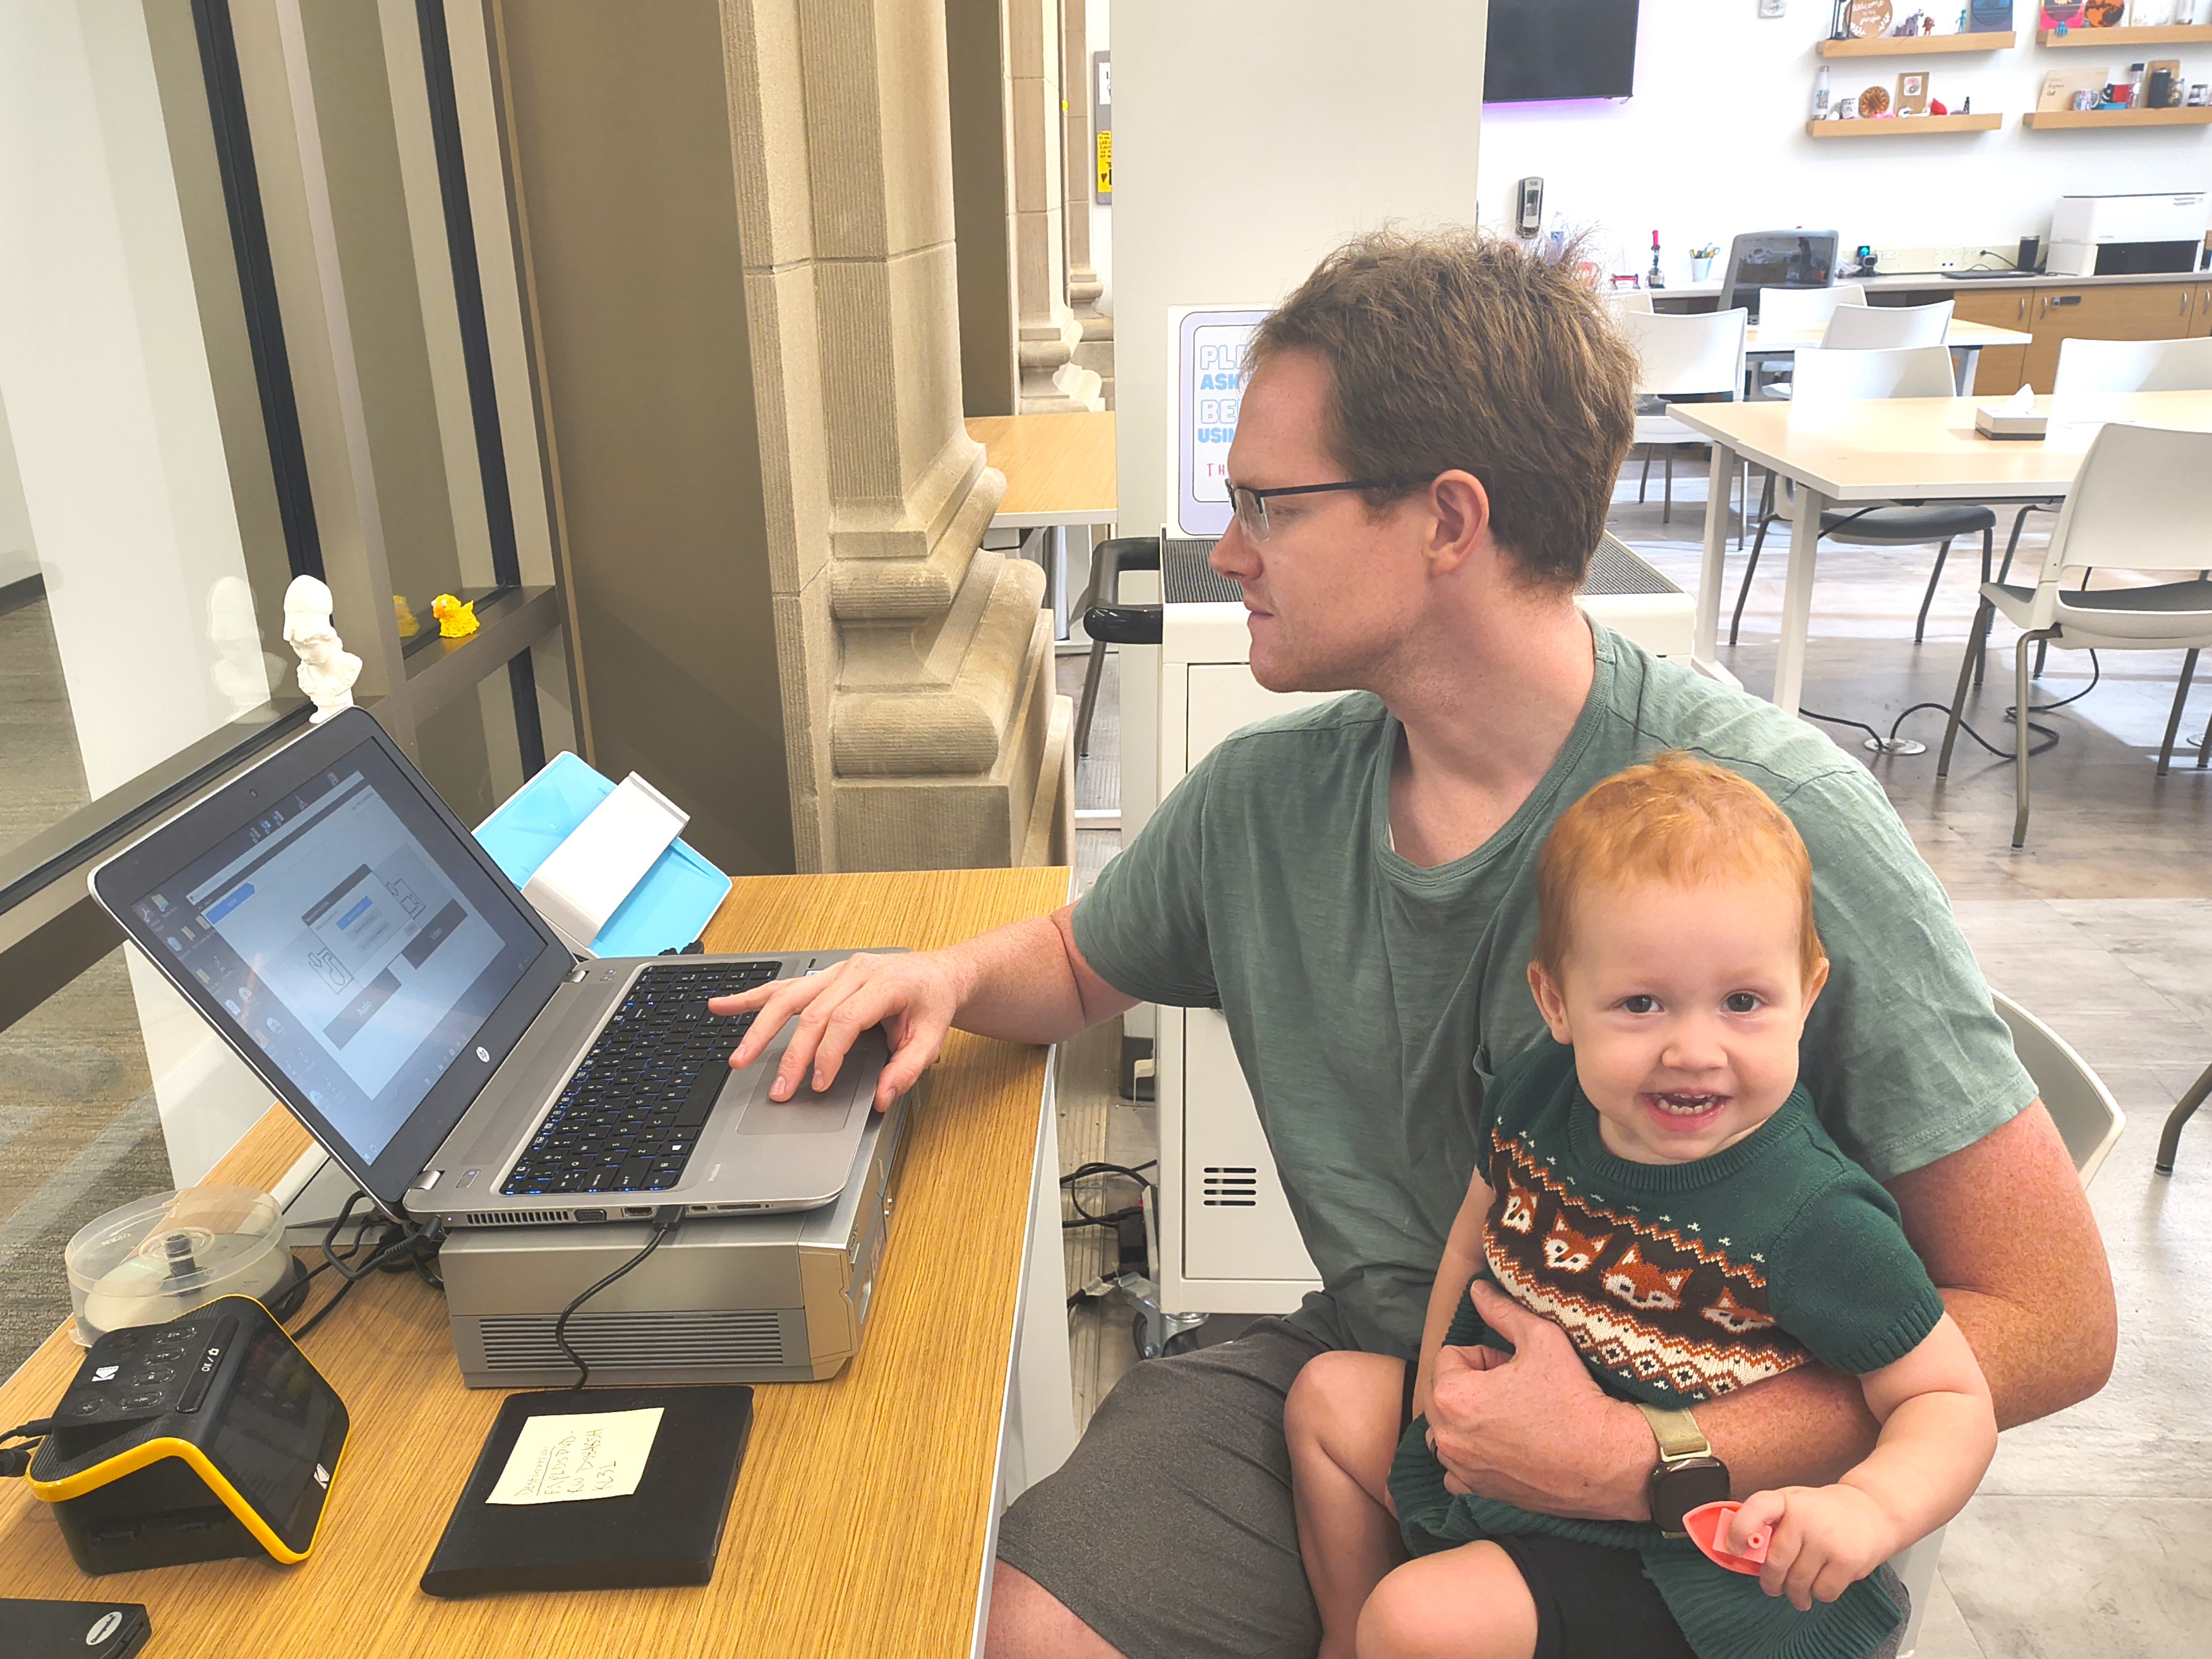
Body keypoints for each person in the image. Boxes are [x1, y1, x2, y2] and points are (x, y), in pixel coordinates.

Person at [709, 229, 2114, 1659]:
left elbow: (2052, 1318)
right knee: (1019, 1625)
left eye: (1268, 504)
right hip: (1391, 1372)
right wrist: (938, 978)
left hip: (1702, 1474)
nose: (1227, 549)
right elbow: (1079, 967)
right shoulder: (1268, 798)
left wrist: (1649, 1453)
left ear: (1447, 520)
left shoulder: (1765, 823)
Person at [1285, 753, 1998, 1659]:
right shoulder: (1538, 1094)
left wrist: (1866, 1506)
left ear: (1806, 996)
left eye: (1742, 1001)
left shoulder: (1814, 1217)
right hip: (1508, 1469)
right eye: (1640, 1003)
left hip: (1675, 1556)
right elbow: (1473, 1235)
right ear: (1556, 1000)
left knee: (1420, 1619)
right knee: (1325, 1400)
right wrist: (1434, 1394)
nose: (1692, 1049)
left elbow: (1947, 1394)